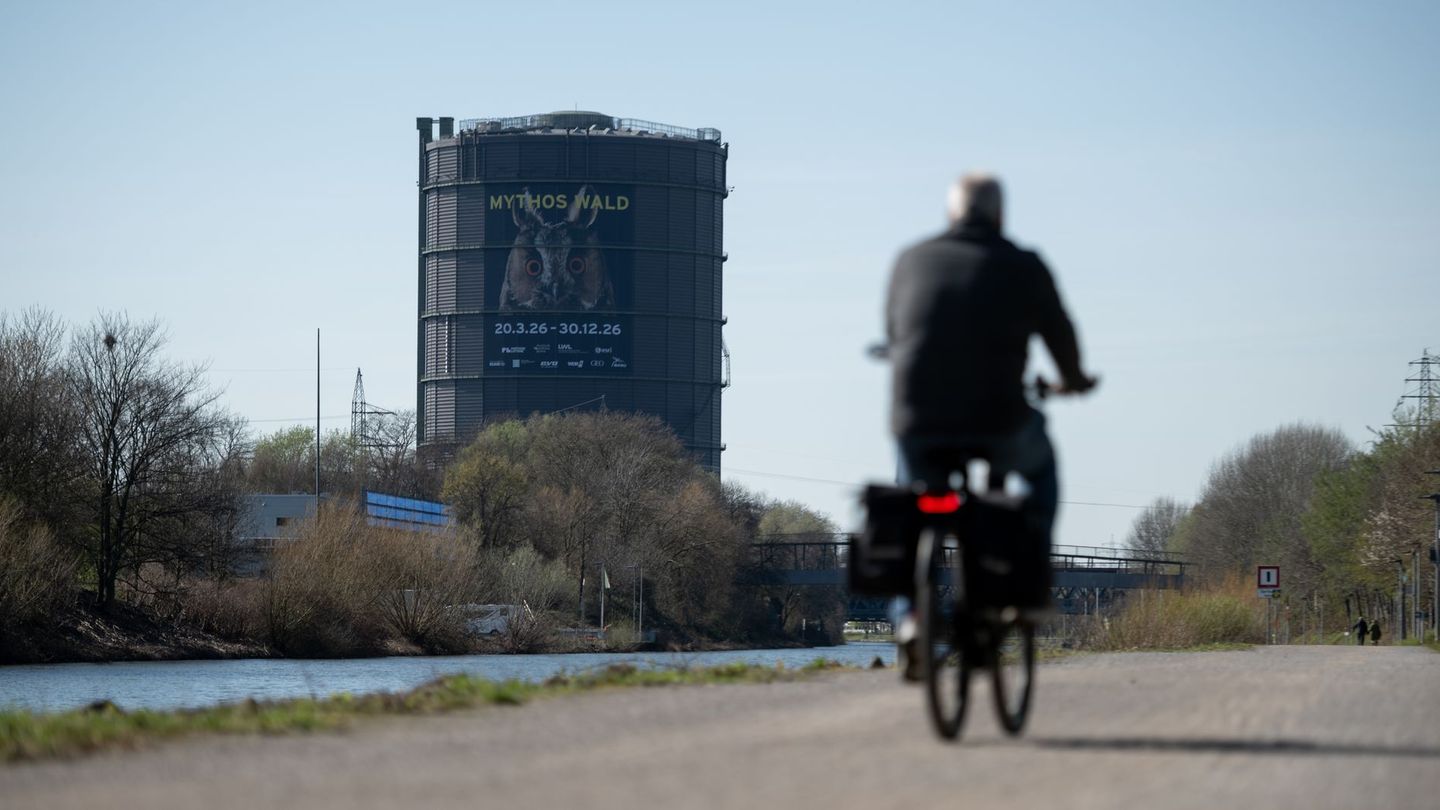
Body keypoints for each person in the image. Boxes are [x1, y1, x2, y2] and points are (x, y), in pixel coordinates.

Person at [885, 173, 1097, 679]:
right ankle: (1027, 591)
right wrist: (1073, 380)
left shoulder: (911, 259)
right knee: (1041, 470)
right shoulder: (1024, 265)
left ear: (951, 214)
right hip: (999, 419)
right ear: (1000, 215)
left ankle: (910, 617)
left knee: (910, 506)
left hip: (918, 420)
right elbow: (1060, 336)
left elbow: (896, 330)